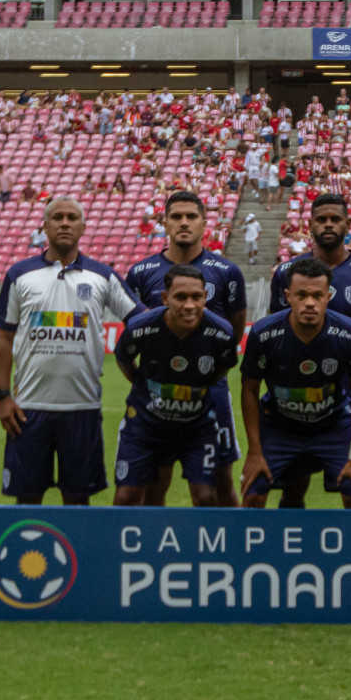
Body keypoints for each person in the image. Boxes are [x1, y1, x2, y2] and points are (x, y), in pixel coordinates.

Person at [0, 196, 140, 505]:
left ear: (83, 227)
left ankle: (77, 556)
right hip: (28, 409)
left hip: (82, 409)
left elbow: (141, 320)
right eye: (57, 217)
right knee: (27, 500)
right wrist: (3, 396)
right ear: (45, 226)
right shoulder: (19, 275)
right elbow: (4, 337)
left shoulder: (102, 276)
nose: (64, 223)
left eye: (72, 217)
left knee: (78, 501)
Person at [125, 191, 247, 508]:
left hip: (211, 392)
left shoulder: (226, 272)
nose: (183, 223)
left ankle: (227, 553)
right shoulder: (140, 273)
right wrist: (144, 380)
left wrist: (205, 374)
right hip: (157, 395)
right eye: (176, 216)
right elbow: (133, 336)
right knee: (154, 483)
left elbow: (232, 334)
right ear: (164, 222)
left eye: (191, 216)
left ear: (204, 223)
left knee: (220, 484)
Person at [268, 194, 351, 508]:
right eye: (321, 219)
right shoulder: (286, 273)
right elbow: (275, 333)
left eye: (335, 219)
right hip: (295, 397)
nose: (328, 225)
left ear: (348, 225)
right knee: (292, 489)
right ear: (309, 225)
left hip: (350, 396)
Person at [239, 258, 351, 508]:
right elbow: (249, 389)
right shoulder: (263, 334)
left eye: (317, 295)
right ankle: (255, 547)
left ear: (328, 296)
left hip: (332, 424)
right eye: (301, 295)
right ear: (288, 296)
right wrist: (254, 452)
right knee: (254, 493)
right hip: (280, 426)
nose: (309, 303)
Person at [112, 264, 238, 507]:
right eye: (180, 297)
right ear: (165, 297)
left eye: (196, 297)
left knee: (205, 497)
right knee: (127, 497)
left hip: (196, 426)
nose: (189, 305)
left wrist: (200, 386)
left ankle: (203, 545)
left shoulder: (221, 333)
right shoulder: (141, 327)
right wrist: (142, 386)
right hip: (146, 425)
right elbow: (123, 359)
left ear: (205, 297)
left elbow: (223, 368)